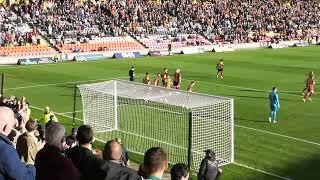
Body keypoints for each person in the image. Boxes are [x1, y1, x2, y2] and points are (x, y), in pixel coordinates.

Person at [0, 107, 36, 180]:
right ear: (6, 127)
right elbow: (26, 177)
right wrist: (31, 166)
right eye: (12, 125)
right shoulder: (5, 150)